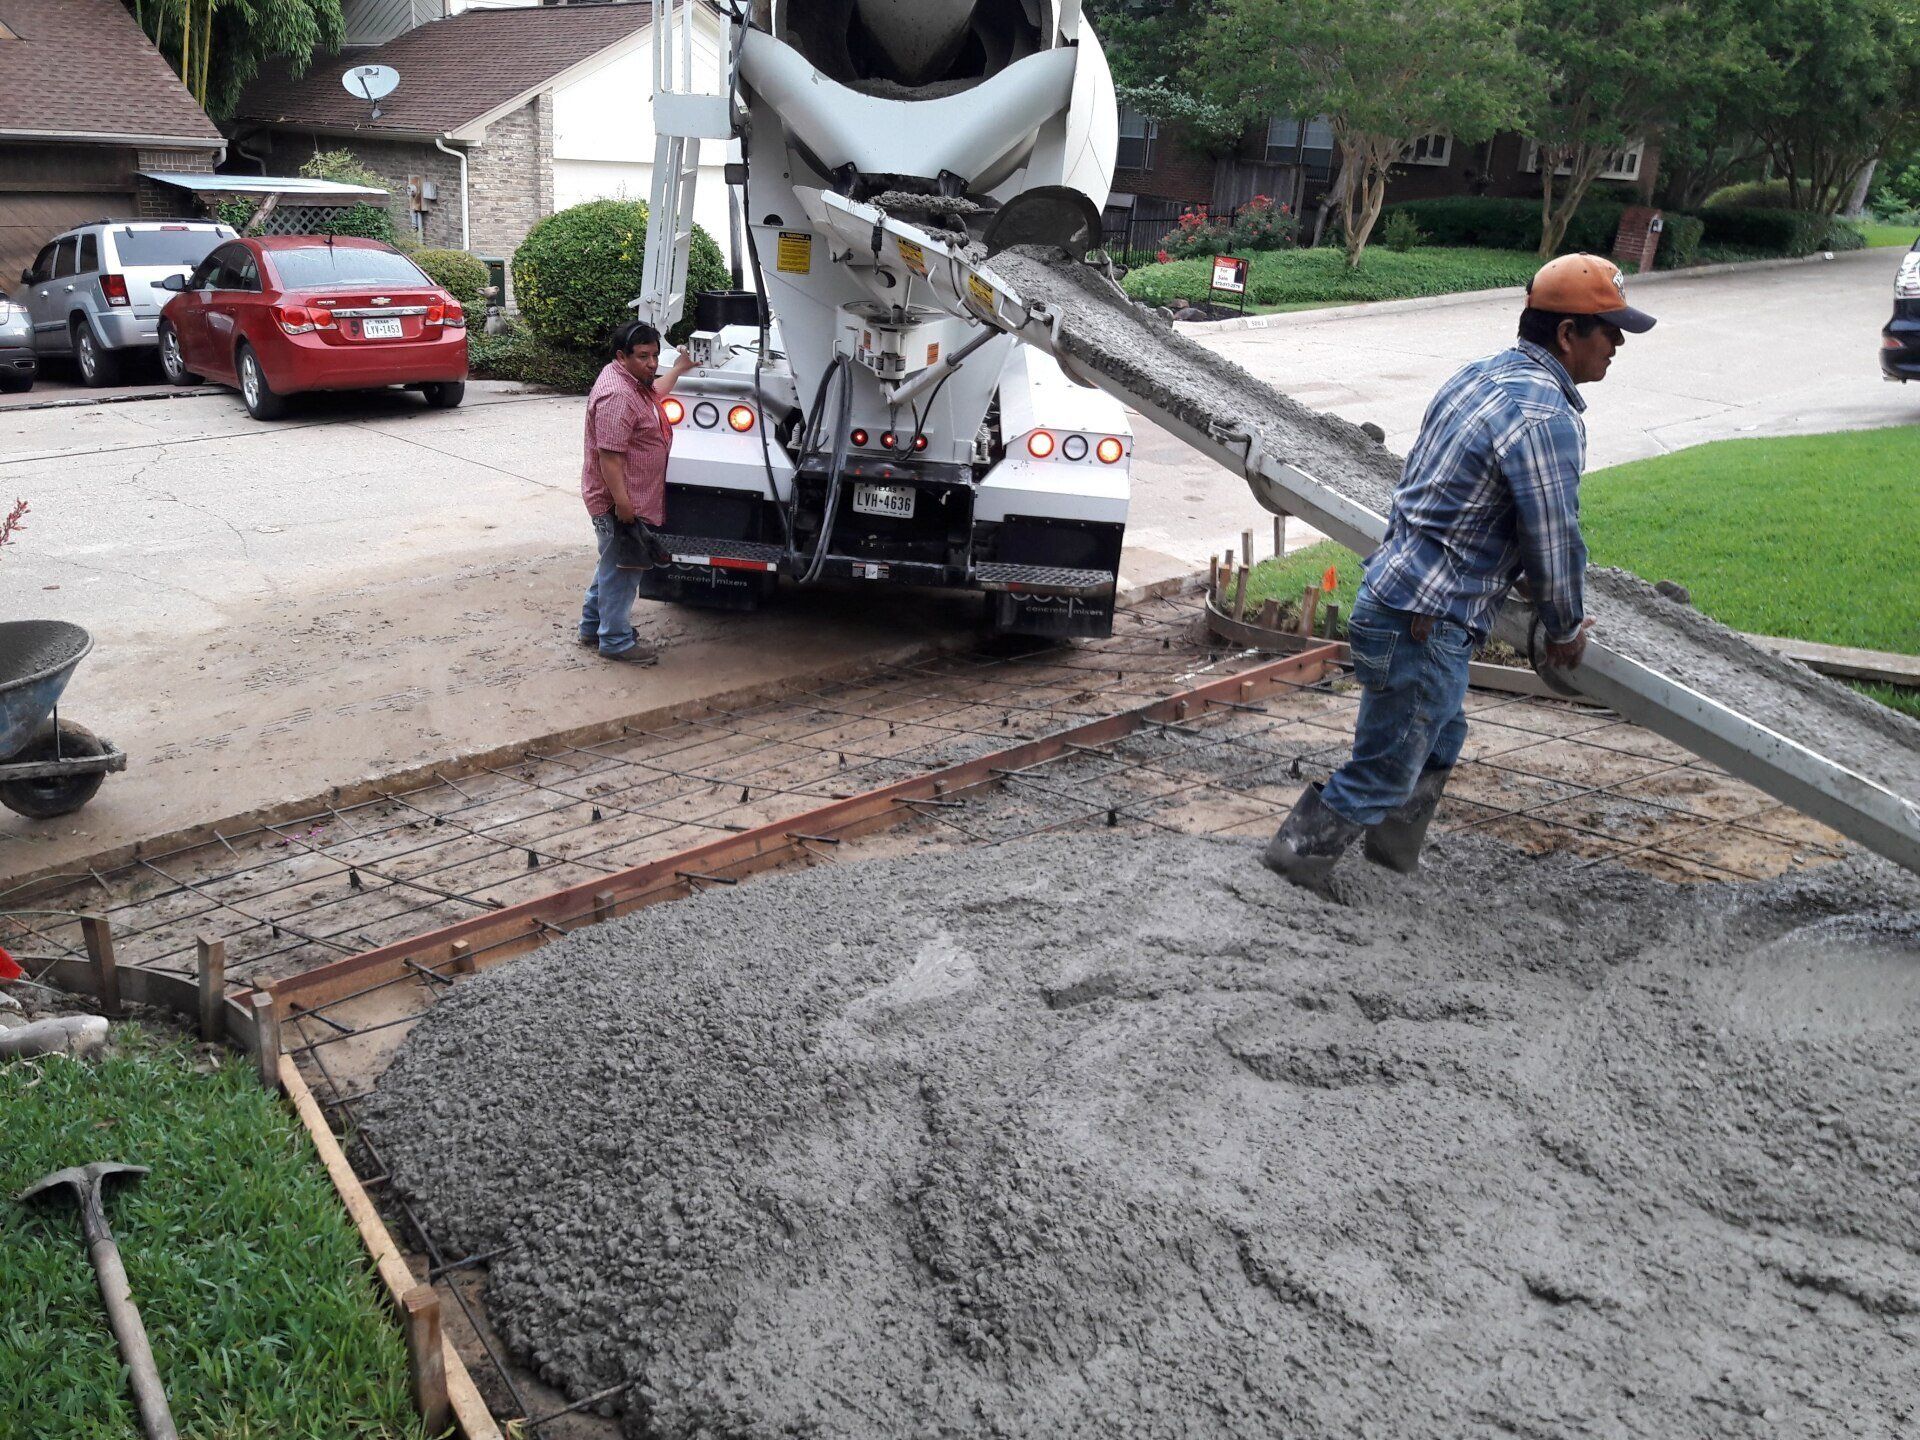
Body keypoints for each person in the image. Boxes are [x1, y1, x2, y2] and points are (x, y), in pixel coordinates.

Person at [1262, 253, 1656, 885]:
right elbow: (1555, 539)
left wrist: (1508, 565)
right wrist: (1564, 628)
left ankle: (1391, 860)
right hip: (1427, 622)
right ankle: (1292, 866)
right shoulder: (1545, 416)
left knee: (1437, 740)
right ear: (1566, 334)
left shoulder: (1479, 377)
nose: (1617, 344)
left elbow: (1452, 492)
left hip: (1399, 599)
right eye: (1609, 330)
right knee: (1386, 767)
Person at [579, 320, 695, 664]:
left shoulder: (631, 380)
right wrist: (624, 506)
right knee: (624, 570)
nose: (651, 363)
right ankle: (614, 641)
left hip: (624, 498)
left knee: (612, 564)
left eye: (655, 355)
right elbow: (610, 458)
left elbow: (655, 393)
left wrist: (678, 369)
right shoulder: (617, 395)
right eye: (643, 356)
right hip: (618, 502)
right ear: (621, 356)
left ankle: (591, 626)